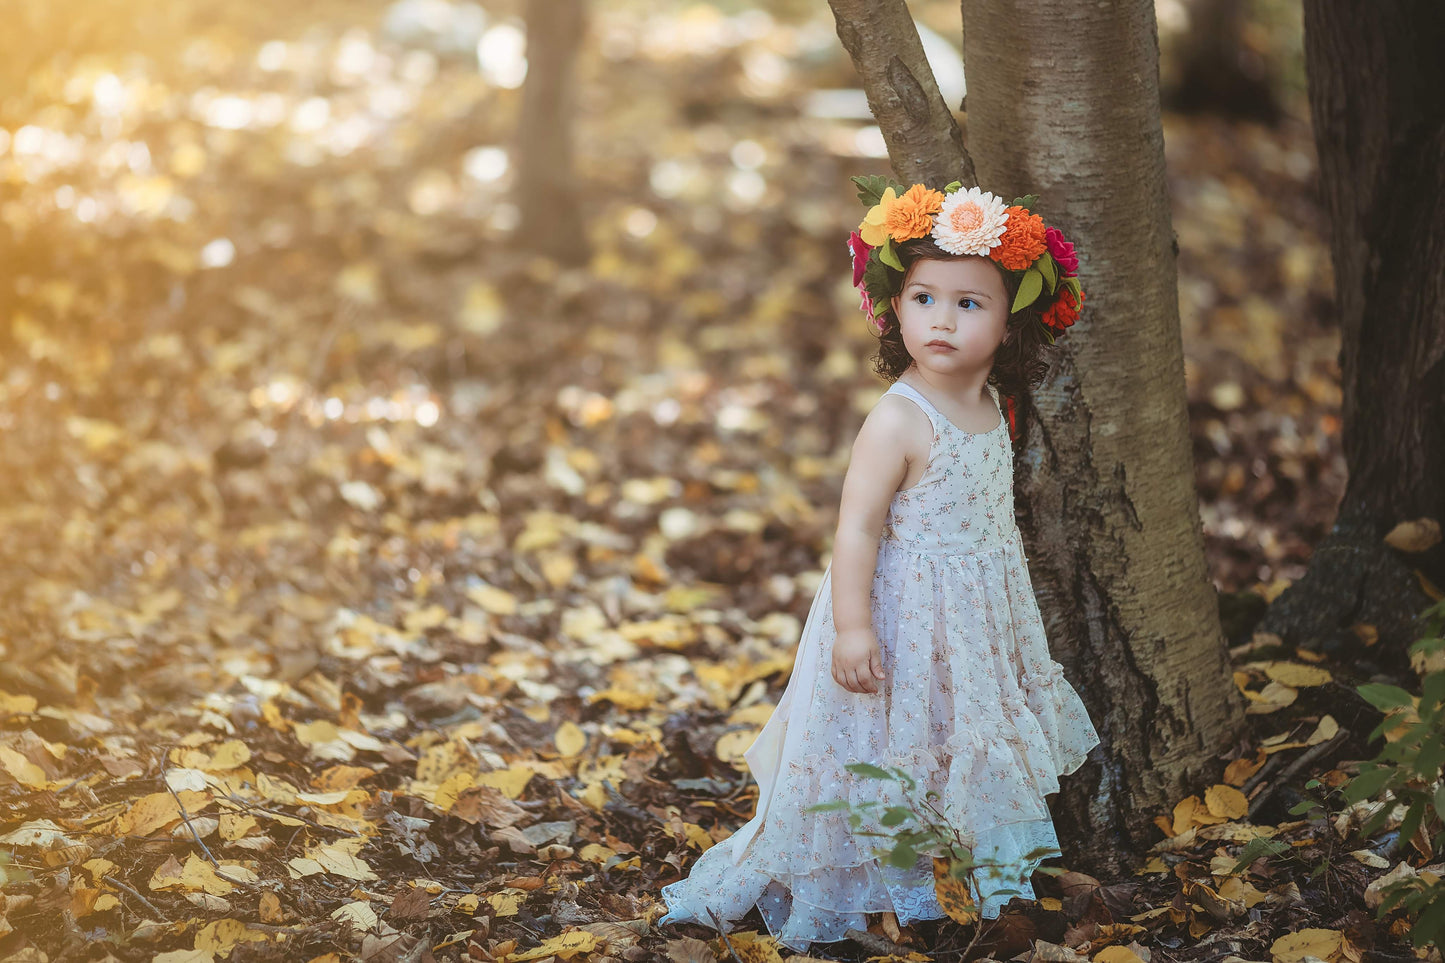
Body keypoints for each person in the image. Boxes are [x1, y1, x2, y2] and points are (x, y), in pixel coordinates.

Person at [654, 177, 1102, 954]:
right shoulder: (898, 416)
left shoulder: (993, 401)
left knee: (952, 736)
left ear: (1008, 323)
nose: (943, 318)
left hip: (968, 613)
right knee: (882, 745)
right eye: (925, 297)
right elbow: (857, 528)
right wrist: (854, 627)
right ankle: (875, 890)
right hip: (897, 614)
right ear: (894, 308)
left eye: (970, 303)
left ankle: (962, 878)